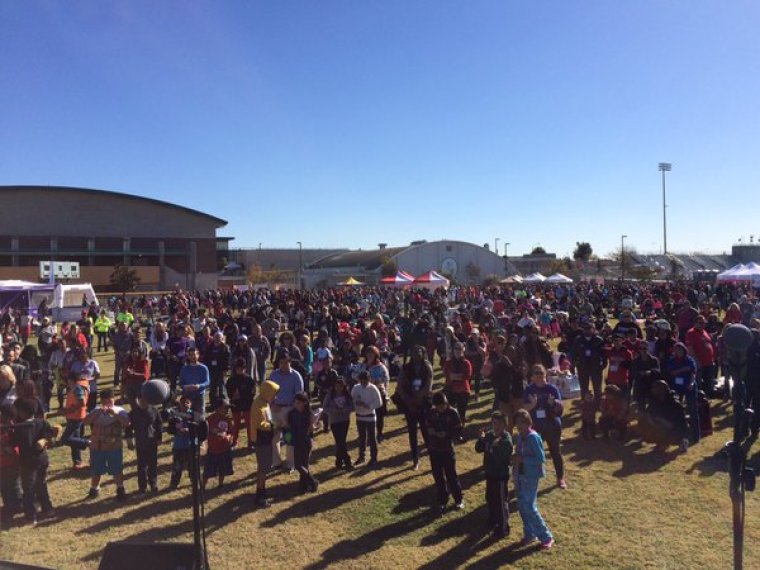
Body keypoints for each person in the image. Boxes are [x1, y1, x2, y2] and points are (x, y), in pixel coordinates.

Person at [9, 399, 60, 525]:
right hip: (42, 459)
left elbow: (13, 442)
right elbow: (50, 434)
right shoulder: (42, 422)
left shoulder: (20, 428)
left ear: (22, 412)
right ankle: (48, 509)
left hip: (28, 462)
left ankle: (30, 515)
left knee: (28, 489)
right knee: (41, 484)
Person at [513, 409, 554, 550]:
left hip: (531, 476)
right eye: (517, 422)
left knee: (529, 506)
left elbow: (540, 458)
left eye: (522, 422)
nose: (519, 425)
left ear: (528, 422)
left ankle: (546, 536)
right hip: (520, 475)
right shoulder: (520, 436)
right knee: (522, 505)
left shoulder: (533, 437)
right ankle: (529, 533)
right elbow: (518, 454)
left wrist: (523, 459)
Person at [523, 364, 566, 489]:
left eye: (541, 373)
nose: (539, 375)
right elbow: (525, 408)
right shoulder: (529, 389)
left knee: (555, 451)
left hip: (552, 425)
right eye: (536, 373)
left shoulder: (552, 389)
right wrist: (533, 404)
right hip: (535, 426)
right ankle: (531, 477)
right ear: (532, 377)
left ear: (545, 374)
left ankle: (560, 478)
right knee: (533, 452)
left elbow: (560, 408)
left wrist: (554, 404)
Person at [83, 389, 130, 501]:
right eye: (106, 402)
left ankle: (120, 489)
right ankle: (94, 488)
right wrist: (99, 412)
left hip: (114, 446)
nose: (108, 404)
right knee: (96, 469)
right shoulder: (96, 410)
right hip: (97, 446)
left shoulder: (120, 410)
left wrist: (114, 414)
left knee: (117, 469)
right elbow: (86, 421)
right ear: (102, 401)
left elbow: (127, 423)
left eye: (110, 401)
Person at [475, 411, 512, 538]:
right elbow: (478, 448)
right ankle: (493, 520)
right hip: (490, 473)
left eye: (499, 424)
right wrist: (481, 439)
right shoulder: (490, 436)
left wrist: (491, 447)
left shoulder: (506, 439)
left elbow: (501, 458)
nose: (496, 426)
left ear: (504, 425)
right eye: (494, 423)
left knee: (501, 501)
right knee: (490, 498)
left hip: (500, 475)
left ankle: (503, 527)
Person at [395, 345, 432, 470]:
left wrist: (418, 398)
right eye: (414, 352)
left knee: (426, 431)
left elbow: (428, 386)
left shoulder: (427, 367)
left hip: (423, 403)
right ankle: (415, 459)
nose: (417, 354)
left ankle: (433, 456)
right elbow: (399, 387)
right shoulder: (405, 368)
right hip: (409, 404)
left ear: (423, 353)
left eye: (419, 351)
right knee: (412, 433)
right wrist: (408, 400)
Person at [426, 392, 464, 514]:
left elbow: (458, 430)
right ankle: (442, 500)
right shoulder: (432, 412)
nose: (440, 408)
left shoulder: (453, 413)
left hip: (447, 449)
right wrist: (431, 431)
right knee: (438, 477)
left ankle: (458, 499)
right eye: (438, 406)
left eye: (442, 405)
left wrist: (447, 434)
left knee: (451, 476)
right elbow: (427, 425)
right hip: (434, 449)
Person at [269, 348, 303, 472]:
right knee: (274, 437)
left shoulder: (296, 376)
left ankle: (290, 463)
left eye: (285, 362)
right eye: (281, 362)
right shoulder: (274, 374)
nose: (283, 364)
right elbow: (269, 392)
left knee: (289, 438)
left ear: (290, 361)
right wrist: (272, 404)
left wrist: (291, 410)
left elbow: (299, 396)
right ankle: (276, 462)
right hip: (275, 410)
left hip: (289, 410)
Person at [250, 380, 279, 508]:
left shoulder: (264, 402)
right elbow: (260, 424)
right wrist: (274, 426)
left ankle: (262, 489)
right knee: (263, 468)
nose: (275, 396)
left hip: (266, 438)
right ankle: (259, 495)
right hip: (261, 440)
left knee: (265, 467)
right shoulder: (258, 406)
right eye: (273, 393)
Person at [665, 342, 700, 445]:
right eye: (676, 350)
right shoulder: (672, 360)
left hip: (689, 386)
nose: (678, 352)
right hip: (677, 387)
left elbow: (693, 373)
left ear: (684, 350)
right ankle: (677, 434)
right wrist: (684, 369)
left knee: (693, 410)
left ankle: (696, 435)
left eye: (679, 350)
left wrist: (691, 383)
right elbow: (671, 372)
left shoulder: (689, 360)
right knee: (676, 411)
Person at [126, 397, 162, 495]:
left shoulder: (154, 410)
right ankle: (142, 487)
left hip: (152, 442)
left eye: (145, 399)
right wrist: (129, 440)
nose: (143, 401)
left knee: (153, 465)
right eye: (141, 399)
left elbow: (159, 425)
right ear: (138, 400)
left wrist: (159, 438)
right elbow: (128, 427)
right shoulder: (134, 412)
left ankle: (153, 484)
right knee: (141, 466)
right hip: (140, 442)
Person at [168, 397, 205, 489]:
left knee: (193, 466)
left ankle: (195, 482)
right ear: (179, 404)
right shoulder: (175, 416)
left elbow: (201, 429)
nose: (185, 404)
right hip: (178, 446)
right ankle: (174, 483)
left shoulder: (196, 416)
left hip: (192, 445)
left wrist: (190, 430)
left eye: (187, 402)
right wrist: (177, 431)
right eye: (183, 402)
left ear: (190, 404)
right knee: (177, 466)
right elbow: (169, 429)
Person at [287, 392, 319, 493]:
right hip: (297, 441)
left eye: (298, 402)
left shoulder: (309, 414)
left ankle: (304, 486)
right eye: (295, 402)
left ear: (304, 403)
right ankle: (311, 482)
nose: (296, 404)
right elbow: (289, 426)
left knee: (303, 464)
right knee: (298, 465)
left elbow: (314, 427)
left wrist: (315, 427)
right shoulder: (292, 413)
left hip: (305, 441)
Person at [571, 322, 607, 409]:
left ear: (593, 329)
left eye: (589, 328)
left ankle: (597, 405)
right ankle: (585, 405)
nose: (587, 330)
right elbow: (574, 354)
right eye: (585, 328)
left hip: (595, 367)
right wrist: (572, 365)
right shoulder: (578, 340)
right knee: (584, 388)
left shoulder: (599, 340)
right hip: (582, 367)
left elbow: (604, 355)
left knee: (597, 388)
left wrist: (603, 366)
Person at [60, 369, 90, 470]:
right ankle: (77, 462)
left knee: (65, 439)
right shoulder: (75, 387)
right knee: (74, 440)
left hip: (75, 417)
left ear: (71, 379)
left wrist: (69, 410)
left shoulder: (78, 387)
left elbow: (82, 402)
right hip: (74, 416)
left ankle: (88, 443)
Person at [351, 370, 382, 467]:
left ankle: (373, 458)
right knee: (362, 437)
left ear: (369, 379)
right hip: (359, 416)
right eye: (362, 381)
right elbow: (352, 399)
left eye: (365, 381)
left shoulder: (373, 388)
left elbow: (379, 402)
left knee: (372, 438)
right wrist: (356, 403)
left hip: (370, 417)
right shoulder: (356, 388)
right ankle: (362, 456)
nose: (363, 383)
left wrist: (368, 406)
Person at [323, 377, 353, 470]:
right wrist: (332, 411)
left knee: (341, 441)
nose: (338, 388)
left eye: (340, 386)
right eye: (337, 386)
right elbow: (325, 407)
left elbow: (351, 406)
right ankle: (347, 461)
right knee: (339, 441)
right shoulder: (330, 395)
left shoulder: (347, 395)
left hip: (344, 420)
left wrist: (346, 410)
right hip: (334, 421)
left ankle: (339, 461)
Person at [203, 399, 234, 490]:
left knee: (223, 469)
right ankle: (203, 486)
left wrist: (229, 437)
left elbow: (231, 432)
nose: (228, 410)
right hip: (213, 449)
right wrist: (212, 433)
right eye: (226, 408)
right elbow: (204, 432)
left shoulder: (228, 419)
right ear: (218, 408)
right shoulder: (210, 419)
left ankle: (220, 484)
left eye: (228, 408)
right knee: (208, 470)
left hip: (224, 449)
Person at [226, 358, 256, 448]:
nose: (240, 370)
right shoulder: (231, 380)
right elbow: (229, 392)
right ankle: (234, 442)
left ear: (245, 368)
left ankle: (251, 442)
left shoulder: (249, 379)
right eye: (238, 368)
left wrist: (244, 396)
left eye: (242, 368)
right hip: (236, 405)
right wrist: (232, 396)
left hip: (247, 404)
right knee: (236, 425)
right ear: (235, 369)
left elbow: (253, 392)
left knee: (249, 425)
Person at [443, 342, 472, 430]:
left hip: (463, 390)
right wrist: (459, 376)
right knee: (449, 410)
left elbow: (467, 375)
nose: (457, 351)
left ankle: (461, 429)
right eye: (456, 348)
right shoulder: (449, 362)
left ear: (463, 350)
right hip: (451, 389)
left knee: (461, 411)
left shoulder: (466, 362)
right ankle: (451, 427)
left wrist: (455, 376)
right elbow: (447, 374)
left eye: (460, 349)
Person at [365, 346, 390, 441]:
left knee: (379, 415)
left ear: (376, 355)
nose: (369, 355)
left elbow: (386, 379)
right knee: (367, 415)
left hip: (379, 393)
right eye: (368, 353)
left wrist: (377, 382)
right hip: (367, 393)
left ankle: (379, 433)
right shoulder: (364, 365)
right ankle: (368, 433)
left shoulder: (381, 367)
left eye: (371, 353)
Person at [179, 347, 210, 417]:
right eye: (190, 355)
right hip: (187, 395)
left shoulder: (203, 368)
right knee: (188, 413)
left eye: (194, 354)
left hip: (199, 395)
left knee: (199, 415)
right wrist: (185, 387)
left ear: (198, 355)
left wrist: (199, 386)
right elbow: (181, 383)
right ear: (188, 356)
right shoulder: (184, 369)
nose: (193, 357)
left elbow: (207, 381)